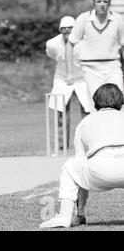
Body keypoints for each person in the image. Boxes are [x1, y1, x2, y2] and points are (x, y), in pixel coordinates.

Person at [39, 83, 124, 229]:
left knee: (71, 168)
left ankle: (67, 216)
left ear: (96, 102)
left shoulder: (85, 122)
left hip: (100, 171)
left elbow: (80, 159)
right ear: (121, 102)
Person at [66, 0, 124, 111]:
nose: (102, 4)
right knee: (95, 105)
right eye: (99, 1)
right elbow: (70, 44)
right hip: (90, 69)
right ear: (94, 3)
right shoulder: (83, 19)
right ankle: (97, 128)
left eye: (105, 1)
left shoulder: (118, 20)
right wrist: (69, 73)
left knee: (119, 102)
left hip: (113, 66)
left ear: (109, 4)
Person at [46, 16, 90, 149]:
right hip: (62, 78)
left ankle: (87, 144)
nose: (66, 30)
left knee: (87, 111)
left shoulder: (84, 42)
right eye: (63, 28)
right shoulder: (52, 44)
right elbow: (52, 55)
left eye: (70, 28)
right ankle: (62, 145)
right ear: (60, 30)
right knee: (61, 111)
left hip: (82, 78)